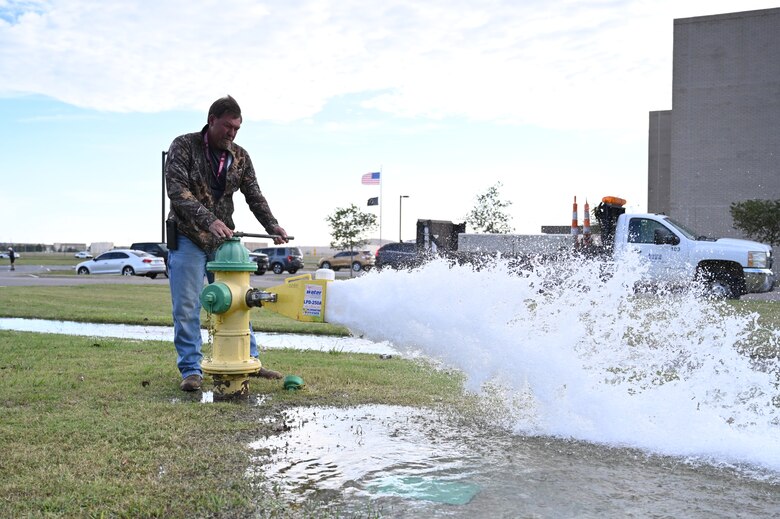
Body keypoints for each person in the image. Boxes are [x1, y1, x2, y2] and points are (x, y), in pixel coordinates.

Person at [165, 95, 289, 392]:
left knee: (237, 302)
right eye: (227, 127)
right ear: (212, 121)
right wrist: (209, 220)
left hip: (224, 244)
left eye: (237, 128)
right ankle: (191, 370)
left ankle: (251, 361)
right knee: (187, 305)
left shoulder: (241, 156)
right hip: (187, 236)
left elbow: (254, 195)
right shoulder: (183, 145)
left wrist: (272, 225)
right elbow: (177, 191)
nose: (232, 133)